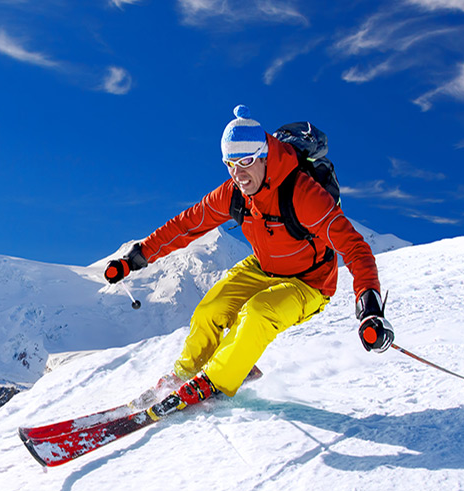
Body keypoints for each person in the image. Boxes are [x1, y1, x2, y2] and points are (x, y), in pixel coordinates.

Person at [104, 105, 394, 407]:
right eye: (230, 164)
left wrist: (370, 306)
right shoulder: (233, 193)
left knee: (258, 312)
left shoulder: (303, 193)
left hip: (310, 281)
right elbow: (186, 224)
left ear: (265, 154)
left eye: (245, 162)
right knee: (210, 310)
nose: (238, 175)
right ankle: (184, 375)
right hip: (264, 267)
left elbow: (355, 247)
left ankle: (214, 382)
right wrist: (134, 258)